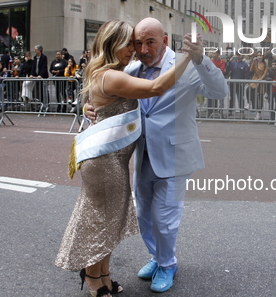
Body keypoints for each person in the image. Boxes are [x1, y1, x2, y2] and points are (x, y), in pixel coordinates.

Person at [86, 18, 227, 293]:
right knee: (144, 216)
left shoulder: (186, 65)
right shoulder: (133, 68)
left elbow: (220, 91)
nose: (142, 48)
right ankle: (156, 257)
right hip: (141, 154)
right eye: (137, 42)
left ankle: (167, 264)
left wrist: (200, 59)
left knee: (164, 216)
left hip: (175, 154)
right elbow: (101, 93)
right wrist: (86, 109)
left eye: (150, 42)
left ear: (164, 41)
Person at [55, 20, 195, 297]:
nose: (135, 49)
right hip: (105, 163)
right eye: (130, 43)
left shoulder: (113, 72)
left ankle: (104, 274)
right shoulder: (111, 75)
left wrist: (89, 106)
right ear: (114, 45)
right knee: (101, 223)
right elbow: (155, 88)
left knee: (109, 222)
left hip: (114, 161)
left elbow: (101, 102)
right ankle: (93, 278)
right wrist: (186, 58)